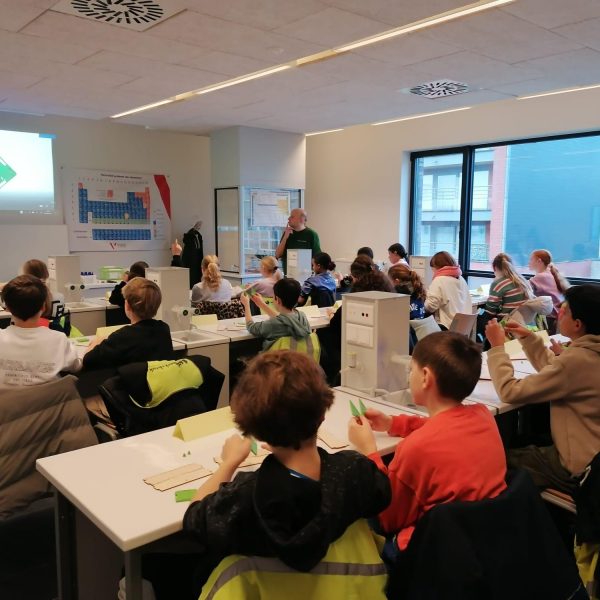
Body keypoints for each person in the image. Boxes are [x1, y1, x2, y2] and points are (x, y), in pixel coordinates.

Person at [163, 351, 390, 600]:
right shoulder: (354, 471)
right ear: (323, 414)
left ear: (257, 433)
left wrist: (228, 464)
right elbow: (382, 490)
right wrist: (369, 449)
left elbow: (194, 518)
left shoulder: (245, 497)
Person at [348, 331, 507, 561]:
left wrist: (369, 451)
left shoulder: (416, 449)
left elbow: (386, 517)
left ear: (425, 377)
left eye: (411, 369)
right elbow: (440, 427)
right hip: (485, 540)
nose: (409, 375)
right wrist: (393, 423)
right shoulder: (483, 416)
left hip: (433, 551)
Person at [485, 283, 600, 495]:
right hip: (593, 453)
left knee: (493, 459)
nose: (559, 312)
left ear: (577, 324)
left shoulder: (577, 360)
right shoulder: (589, 353)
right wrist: (528, 338)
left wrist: (497, 348)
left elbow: (510, 392)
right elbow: (559, 373)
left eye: (564, 310)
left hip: (578, 466)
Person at [0, 275, 82, 388]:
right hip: (51, 404)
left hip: (8, 404)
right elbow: (76, 366)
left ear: (7, 307)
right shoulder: (58, 339)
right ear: (43, 307)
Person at [83, 277, 173, 369]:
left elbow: (87, 360)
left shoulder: (123, 336)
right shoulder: (163, 329)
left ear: (127, 305)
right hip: (156, 382)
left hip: (130, 383)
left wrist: (96, 343)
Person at [240, 278, 311, 351]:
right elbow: (284, 319)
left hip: (275, 360)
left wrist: (246, 305)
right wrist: (262, 304)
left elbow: (251, 327)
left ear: (277, 299)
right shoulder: (302, 316)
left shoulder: (273, 324)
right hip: (298, 359)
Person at [424, 251, 471, 329]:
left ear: (437, 267)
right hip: (462, 327)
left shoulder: (439, 280)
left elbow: (430, 306)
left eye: (433, 269)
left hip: (446, 327)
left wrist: (423, 301)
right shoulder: (461, 279)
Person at [528, 249, 570, 334]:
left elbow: (524, 289)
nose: (529, 262)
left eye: (531, 259)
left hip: (550, 318)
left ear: (539, 261)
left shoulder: (540, 277)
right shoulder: (551, 273)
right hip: (557, 316)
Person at [483, 252, 533, 321]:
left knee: (479, 320)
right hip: (523, 321)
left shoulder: (499, 283)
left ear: (495, 268)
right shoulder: (522, 280)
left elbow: (490, 311)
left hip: (506, 322)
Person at [275, 208, 321, 275]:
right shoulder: (287, 233)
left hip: (305, 277)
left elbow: (317, 258)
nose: (288, 218)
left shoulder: (311, 234)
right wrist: (285, 237)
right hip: (288, 276)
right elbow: (277, 255)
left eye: (292, 217)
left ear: (301, 219)